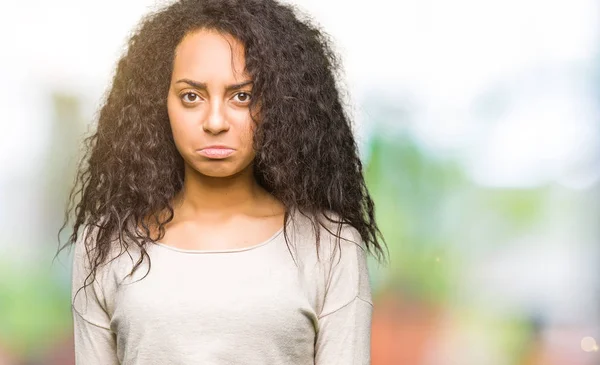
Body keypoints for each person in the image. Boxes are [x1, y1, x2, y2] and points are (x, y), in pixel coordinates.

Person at [57, 0, 388, 363]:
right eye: (191, 96)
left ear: (278, 104)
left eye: (242, 96)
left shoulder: (330, 245)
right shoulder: (106, 244)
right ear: (159, 103)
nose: (215, 121)